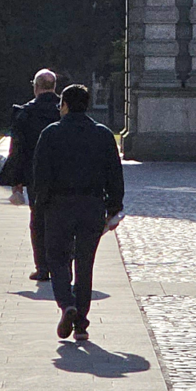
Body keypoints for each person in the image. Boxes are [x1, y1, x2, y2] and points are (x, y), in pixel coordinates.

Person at [31, 82, 124, 344]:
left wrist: (40, 205)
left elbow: (41, 175)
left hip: (58, 205)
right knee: (85, 263)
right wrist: (114, 207)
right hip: (92, 205)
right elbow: (115, 174)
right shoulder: (103, 134)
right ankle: (81, 323)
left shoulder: (51, 134)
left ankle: (66, 304)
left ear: (64, 105)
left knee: (58, 259)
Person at [7, 70, 63, 280]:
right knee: (62, 221)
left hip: (35, 175)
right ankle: (62, 265)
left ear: (36, 87)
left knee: (38, 221)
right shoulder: (64, 110)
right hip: (63, 174)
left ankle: (42, 267)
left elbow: (18, 150)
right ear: (54, 86)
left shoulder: (25, 113)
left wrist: (16, 182)